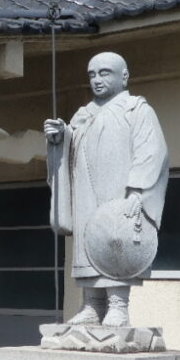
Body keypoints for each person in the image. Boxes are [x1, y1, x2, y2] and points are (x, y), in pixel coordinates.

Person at [44, 52, 168, 328]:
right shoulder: (83, 114)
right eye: (92, 74)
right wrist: (59, 138)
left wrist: (138, 191)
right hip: (86, 188)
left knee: (117, 238)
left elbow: (152, 152)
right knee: (89, 241)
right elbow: (69, 147)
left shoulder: (136, 110)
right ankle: (91, 304)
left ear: (124, 77)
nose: (97, 80)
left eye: (104, 73)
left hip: (119, 189)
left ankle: (118, 304)